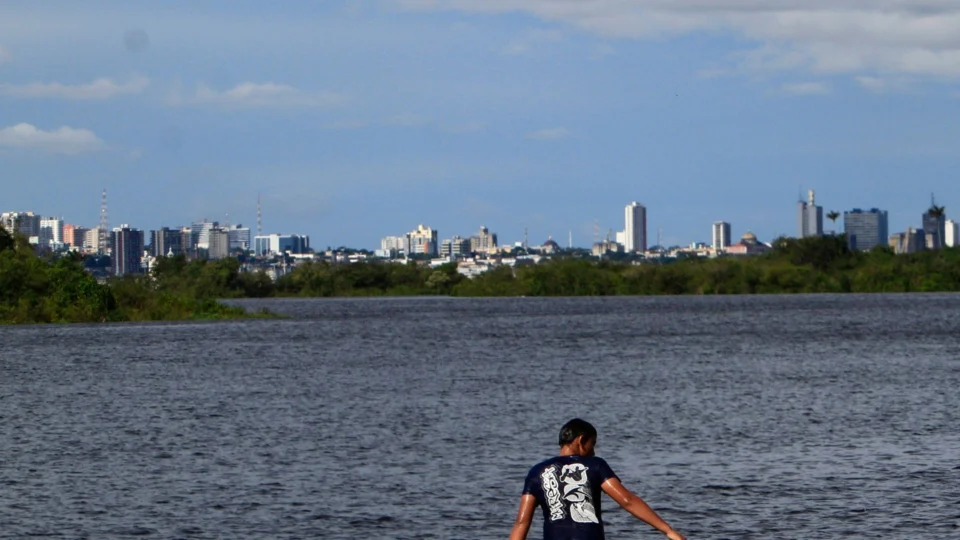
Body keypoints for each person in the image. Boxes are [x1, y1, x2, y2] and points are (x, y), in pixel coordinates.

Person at [509, 418, 685, 540]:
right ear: (581, 440)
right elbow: (627, 501)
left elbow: (522, 522)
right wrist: (668, 531)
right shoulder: (595, 465)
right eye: (592, 445)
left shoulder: (536, 472)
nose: (593, 452)